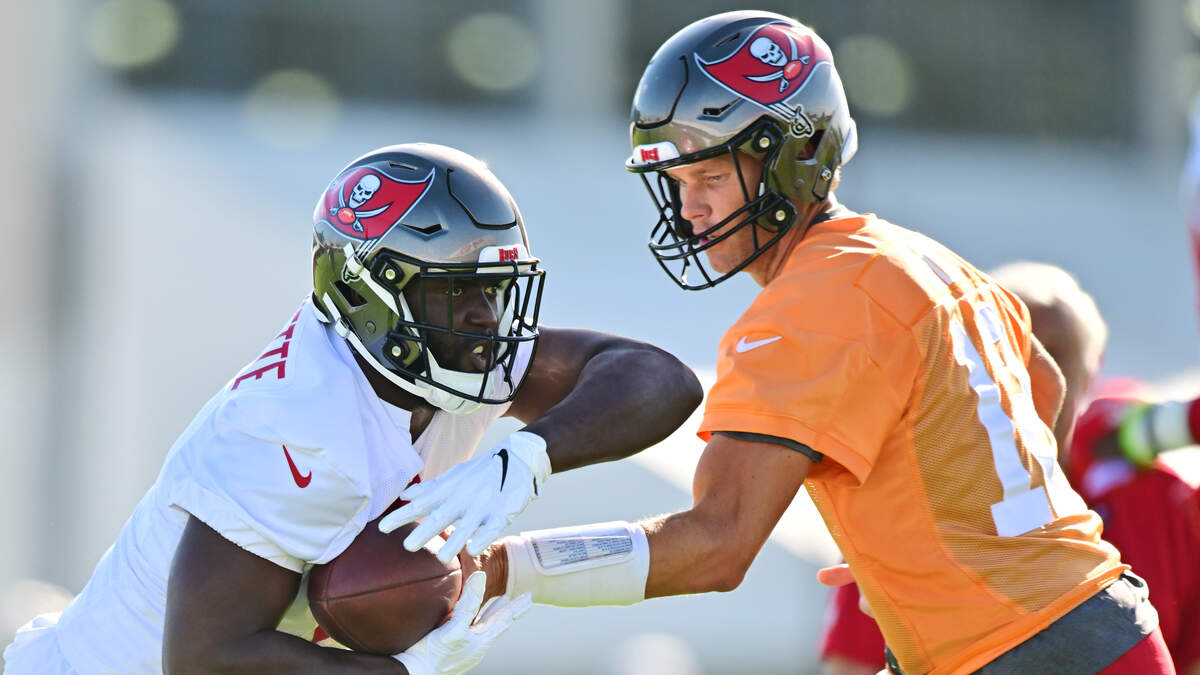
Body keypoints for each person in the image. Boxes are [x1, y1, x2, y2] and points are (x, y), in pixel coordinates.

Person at [400, 12, 1175, 674]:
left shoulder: (812, 303)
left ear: (791, 158)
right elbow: (1044, 385)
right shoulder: (924, 258)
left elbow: (717, 545)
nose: (689, 207)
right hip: (1096, 626)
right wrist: (937, 541)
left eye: (710, 177)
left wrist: (503, 566)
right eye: (677, 181)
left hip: (1024, 650)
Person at [1, 143, 703, 674]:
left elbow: (660, 380)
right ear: (373, 296)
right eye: (456, 290)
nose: (486, 317)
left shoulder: (441, 356)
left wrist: (527, 456)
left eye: (493, 287)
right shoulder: (297, 427)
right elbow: (205, 659)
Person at [818, 262, 1200, 675]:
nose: (1026, 377)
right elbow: (849, 669)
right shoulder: (906, 513)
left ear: (1093, 366)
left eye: (1051, 355)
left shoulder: (1162, 500)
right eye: (1003, 356)